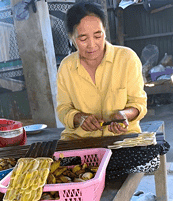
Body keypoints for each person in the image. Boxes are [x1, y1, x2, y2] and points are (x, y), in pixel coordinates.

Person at [57, 2, 147, 140]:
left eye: (98, 36)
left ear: (105, 30)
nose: (92, 45)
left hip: (122, 139)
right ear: (71, 37)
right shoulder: (66, 67)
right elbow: (63, 109)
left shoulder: (127, 59)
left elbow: (138, 103)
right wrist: (79, 118)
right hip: (80, 141)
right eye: (83, 38)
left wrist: (123, 115)